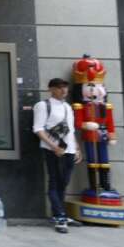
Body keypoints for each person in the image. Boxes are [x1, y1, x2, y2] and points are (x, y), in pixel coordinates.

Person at [33, 77, 82, 234]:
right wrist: (53, 147)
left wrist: (77, 148)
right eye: (60, 88)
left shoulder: (68, 107)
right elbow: (38, 129)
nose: (64, 91)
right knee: (54, 181)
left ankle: (58, 213)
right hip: (52, 150)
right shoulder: (43, 106)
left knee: (64, 182)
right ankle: (60, 215)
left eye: (65, 88)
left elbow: (71, 130)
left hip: (69, 150)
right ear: (51, 89)